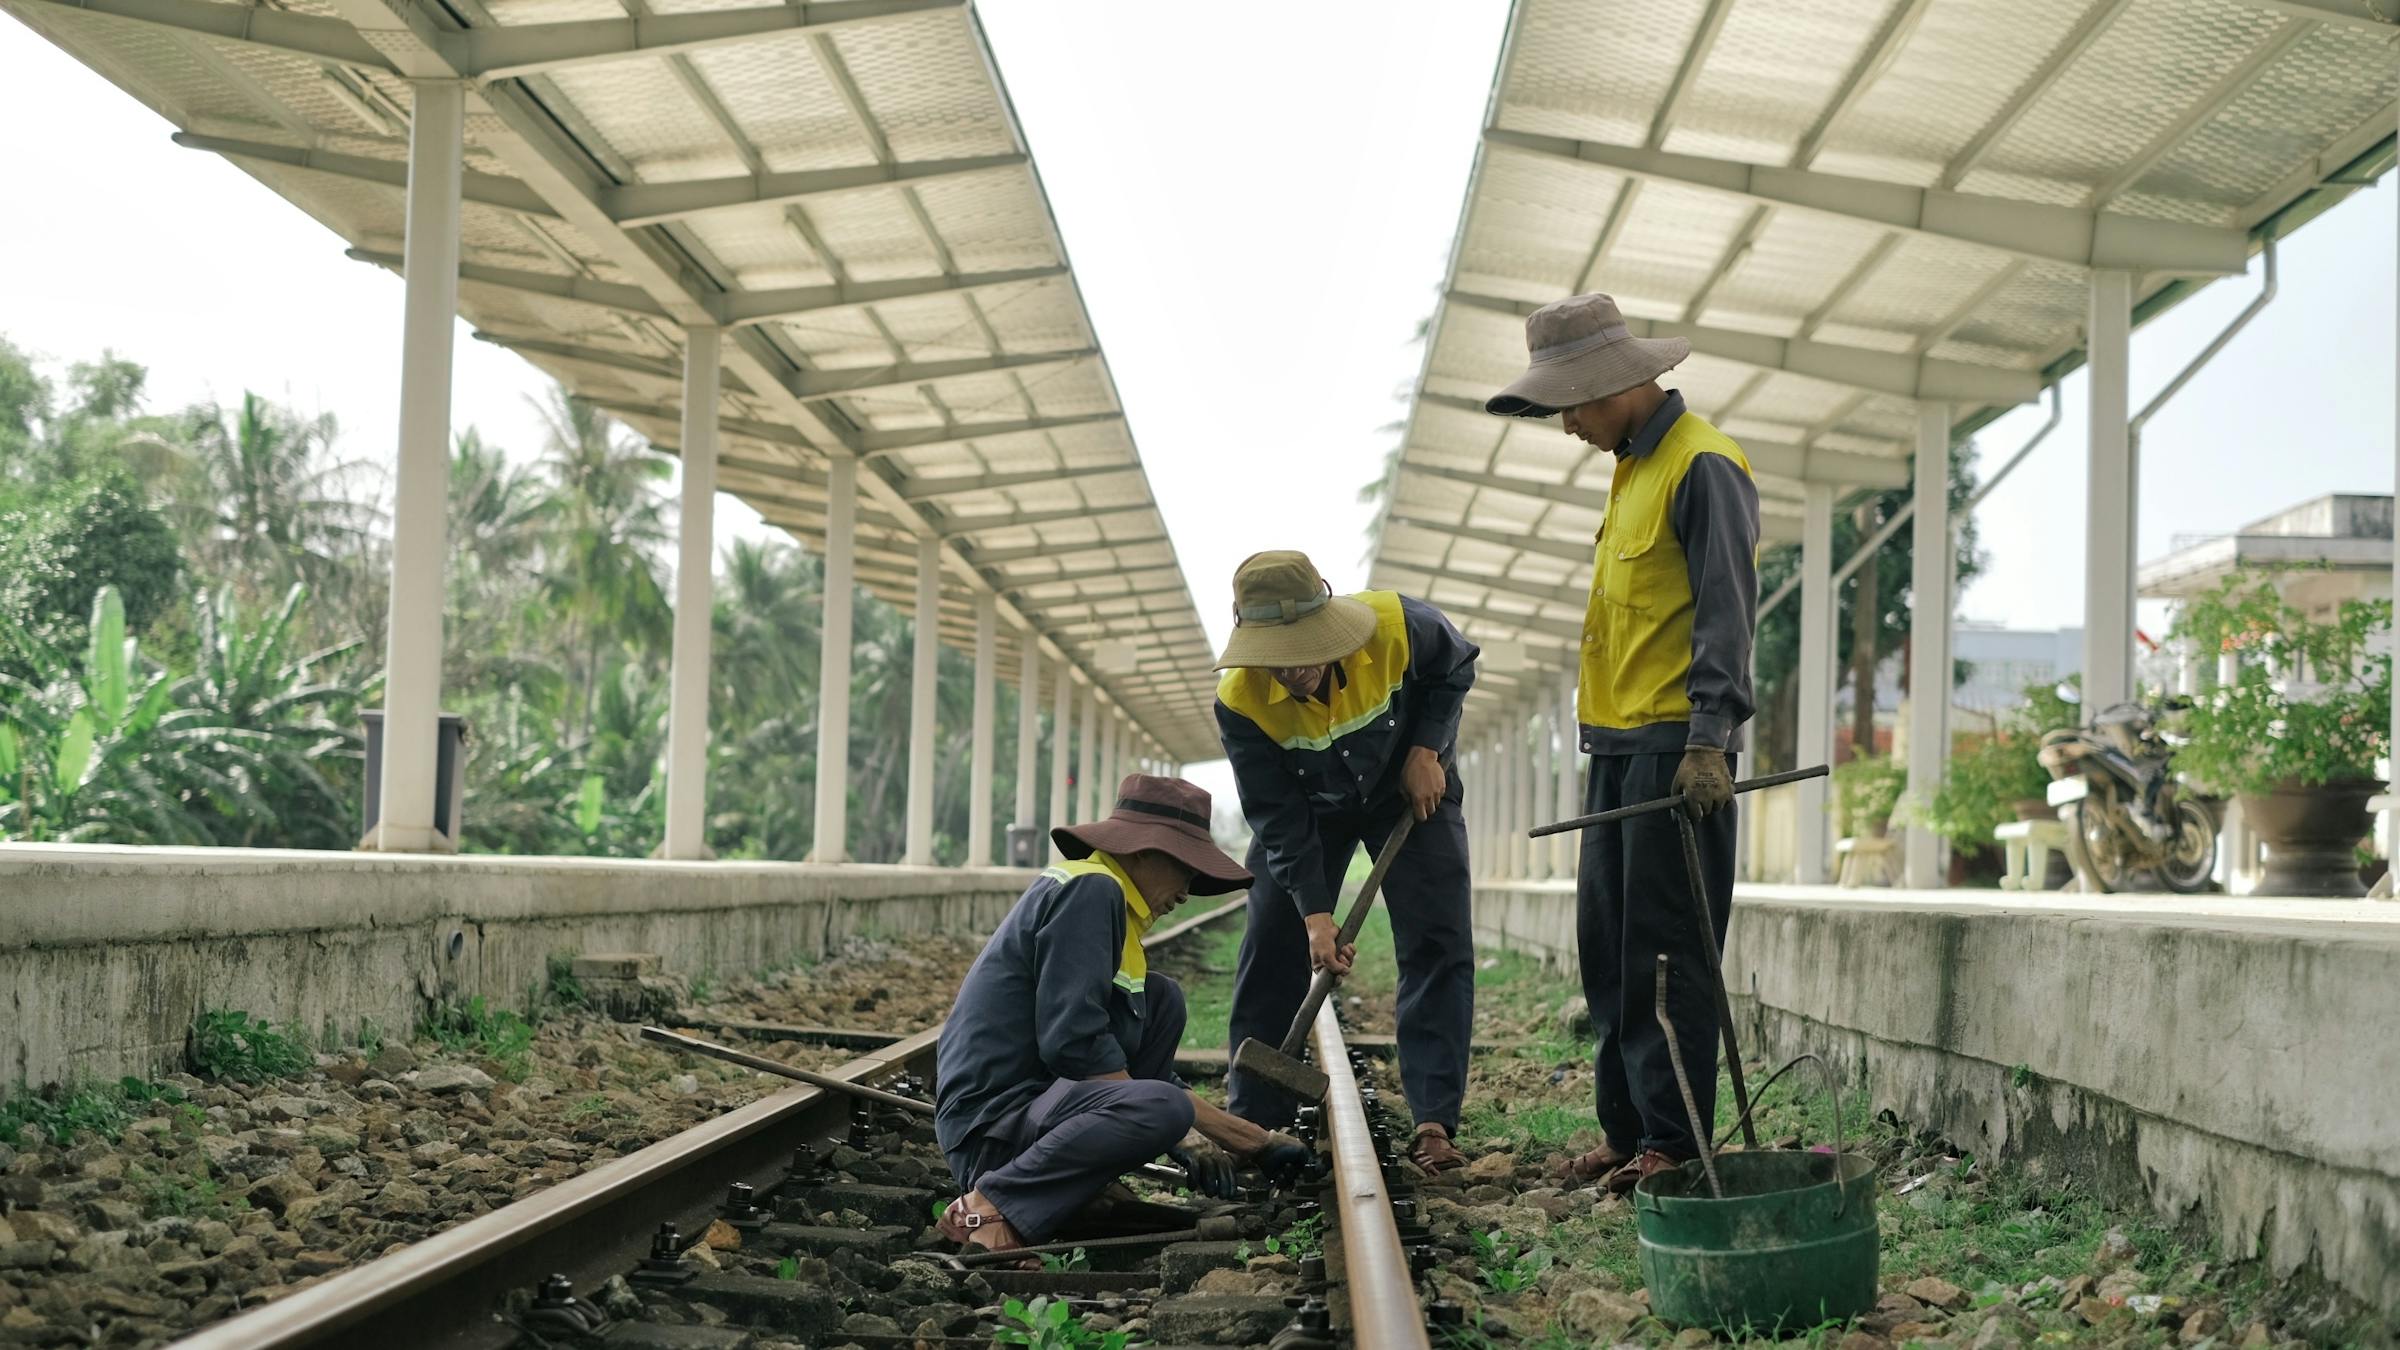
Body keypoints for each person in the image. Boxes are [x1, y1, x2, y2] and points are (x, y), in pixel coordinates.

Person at [1484, 292, 1761, 1194]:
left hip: (1678, 752)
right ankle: (1628, 1130)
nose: (1567, 423)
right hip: (1613, 747)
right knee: (1608, 950)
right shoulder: (1629, 465)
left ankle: (1675, 1144)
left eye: (1575, 402)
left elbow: (1726, 612)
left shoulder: (1702, 466)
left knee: (1668, 954)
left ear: (1623, 382)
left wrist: (1711, 738)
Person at [933, 774, 1306, 1259]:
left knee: (1163, 1001)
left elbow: (1131, 1073)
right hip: (992, 1127)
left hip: (1037, 1113)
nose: (1188, 891)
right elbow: (1073, 1043)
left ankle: (1080, 1186)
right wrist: (1198, 1133)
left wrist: (1250, 1142)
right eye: (1185, 869)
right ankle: (992, 1203)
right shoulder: (1093, 889)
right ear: (1142, 851)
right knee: (1165, 1107)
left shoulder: (1113, 910)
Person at [1212, 550, 1480, 1173]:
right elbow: (1277, 815)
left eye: (1307, 647)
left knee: (1437, 940)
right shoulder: (1240, 699)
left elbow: (1456, 666)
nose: (1296, 669)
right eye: (1278, 657)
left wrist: (1426, 748)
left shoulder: (1398, 625)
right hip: (1311, 808)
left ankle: (1435, 1120)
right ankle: (1254, 1119)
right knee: (1272, 938)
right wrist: (1315, 913)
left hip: (1409, 788)